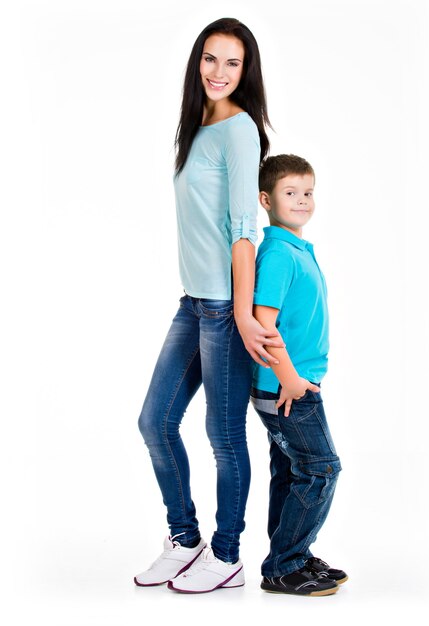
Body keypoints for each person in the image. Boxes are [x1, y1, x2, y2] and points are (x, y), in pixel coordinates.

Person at [135, 17, 283, 594]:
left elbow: (244, 229)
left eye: (233, 63)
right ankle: (185, 539)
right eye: (210, 59)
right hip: (194, 302)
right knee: (155, 421)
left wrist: (244, 312)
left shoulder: (240, 131)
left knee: (224, 438)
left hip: (223, 306)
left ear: (247, 73)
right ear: (197, 63)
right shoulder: (198, 125)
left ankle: (226, 554)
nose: (219, 72)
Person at [250, 154, 347, 596]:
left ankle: (294, 555)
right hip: (286, 386)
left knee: (292, 472)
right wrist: (289, 377)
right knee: (321, 468)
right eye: (291, 193)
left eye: (308, 192)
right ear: (266, 199)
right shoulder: (277, 255)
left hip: (294, 382)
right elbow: (263, 323)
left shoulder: (297, 249)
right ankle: (284, 565)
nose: (303, 200)